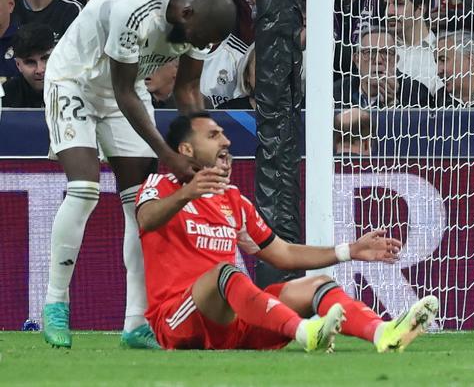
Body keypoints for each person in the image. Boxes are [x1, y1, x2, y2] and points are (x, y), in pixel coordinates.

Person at [40, 0, 235, 349]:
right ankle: (55, 302)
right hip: (74, 81)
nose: (201, 46)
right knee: (84, 189)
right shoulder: (133, 10)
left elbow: (187, 89)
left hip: (126, 93)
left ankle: (136, 324)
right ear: (186, 13)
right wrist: (168, 155)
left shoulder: (203, 17)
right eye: (200, 39)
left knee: (142, 206)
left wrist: (207, 147)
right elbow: (123, 90)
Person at [137, 112, 439, 351]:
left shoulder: (234, 200)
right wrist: (186, 194)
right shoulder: (161, 186)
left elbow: (283, 253)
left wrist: (349, 251)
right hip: (178, 321)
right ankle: (304, 332)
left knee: (318, 285)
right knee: (225, 273)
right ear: (186, 149)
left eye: (224, 134)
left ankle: (383, 333)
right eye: (214, 135)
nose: (226, 141)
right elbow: (146, 219)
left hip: (233, 325)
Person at [2, 21, 54, 107]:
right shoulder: (6, 95)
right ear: (18, 65)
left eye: (45, 59)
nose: (40, 70)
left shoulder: (72, 88)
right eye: (30, 62)